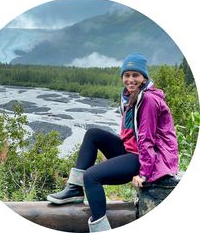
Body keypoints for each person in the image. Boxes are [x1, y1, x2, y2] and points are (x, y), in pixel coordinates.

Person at [47, 53, 179, 232]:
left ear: (144, 77)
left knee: (91, 177)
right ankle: (74, 189)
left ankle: (101, 228)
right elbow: (130, 134)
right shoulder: (129, 96)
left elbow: (146, 140)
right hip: (133, 151)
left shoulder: (147, 99)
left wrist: (144, 174)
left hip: (149, 159)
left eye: (135, 75)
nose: (130, 80)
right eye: (127, 75)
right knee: (93, 134)